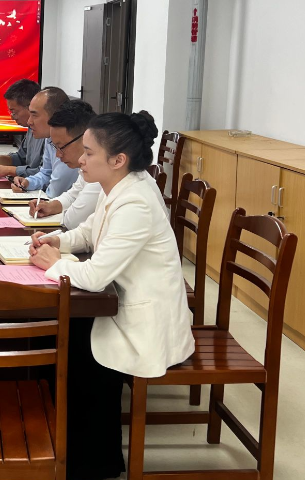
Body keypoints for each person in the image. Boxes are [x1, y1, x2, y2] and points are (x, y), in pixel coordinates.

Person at [28, 111, 195, 480]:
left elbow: (95, 276)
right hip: (120, 302)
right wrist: (57, 240)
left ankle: (92, 462)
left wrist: (54, 263)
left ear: (118, 160)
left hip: (143, 323)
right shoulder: (121, 185)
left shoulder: (136, 201)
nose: (81, 160)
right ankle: (52, 440)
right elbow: (90, 231)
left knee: (70, 349)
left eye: (89, 153)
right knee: (58, 337)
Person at [28, 100, 101, 229]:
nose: (58, 154)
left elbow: (72, 221)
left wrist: (64, 213)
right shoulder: (86, 166)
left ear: (85, 138)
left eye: (61, 147)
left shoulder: (101, 171)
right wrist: (51, 206)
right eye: (54, 147)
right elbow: (73, 194)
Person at [11, 87, 78, 197]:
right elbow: (46, 173)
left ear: (55, 116)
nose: (29, 122)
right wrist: (28, 182)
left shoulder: (71, 142)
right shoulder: (49, 138)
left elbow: (55, 192)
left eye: (34, 115)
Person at [0, 79, 44, 179]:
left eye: (14, 112)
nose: (12, 117)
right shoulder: (31, 128)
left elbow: (45, 173)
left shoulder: (50, 133)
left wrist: (9, 170)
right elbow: (21, 158)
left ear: (31, 106)